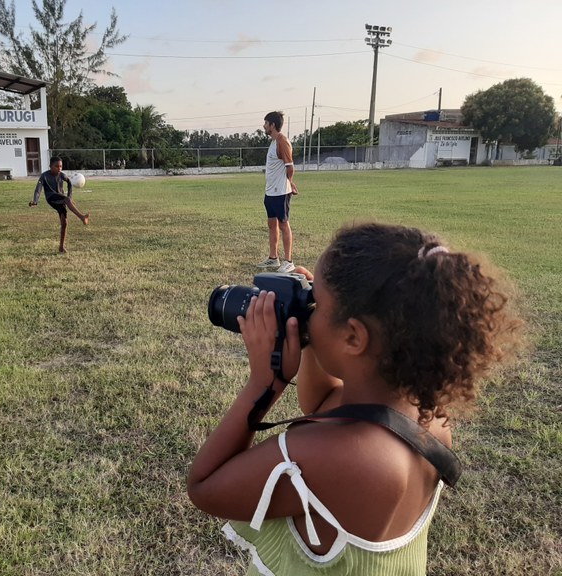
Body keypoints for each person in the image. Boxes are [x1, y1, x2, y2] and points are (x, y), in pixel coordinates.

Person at [188, 222, 522, 575]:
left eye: (317, 306)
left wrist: (263, 384)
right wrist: (310, 332)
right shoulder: (427, 416)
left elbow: (205, 487)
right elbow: (322, 402)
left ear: (353, 337)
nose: (309, 308)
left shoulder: (335, 455)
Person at [257, 111, 299, 274]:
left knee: (283, 225)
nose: (264, 126)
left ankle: (289, 261)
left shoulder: (282, 141)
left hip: (281, 191)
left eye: (266, 123)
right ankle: (273, 258)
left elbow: (290, 166)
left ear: (272, 125)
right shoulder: (273, 141)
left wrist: (290, 183)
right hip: (270, 192)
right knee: (272, 224)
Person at [29, 156, 89, 253]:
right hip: (51, 198)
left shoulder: (61, 175)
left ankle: (61, 247)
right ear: (50, 166)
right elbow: (38, 190)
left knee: (64, 223)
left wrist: (70, 196)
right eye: (57, 166)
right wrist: (35, 201)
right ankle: (82, 217)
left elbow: (69, 182)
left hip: (60, 199)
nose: (59, 169)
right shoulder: (44, 176)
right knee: (67, 200)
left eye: (61, 166)